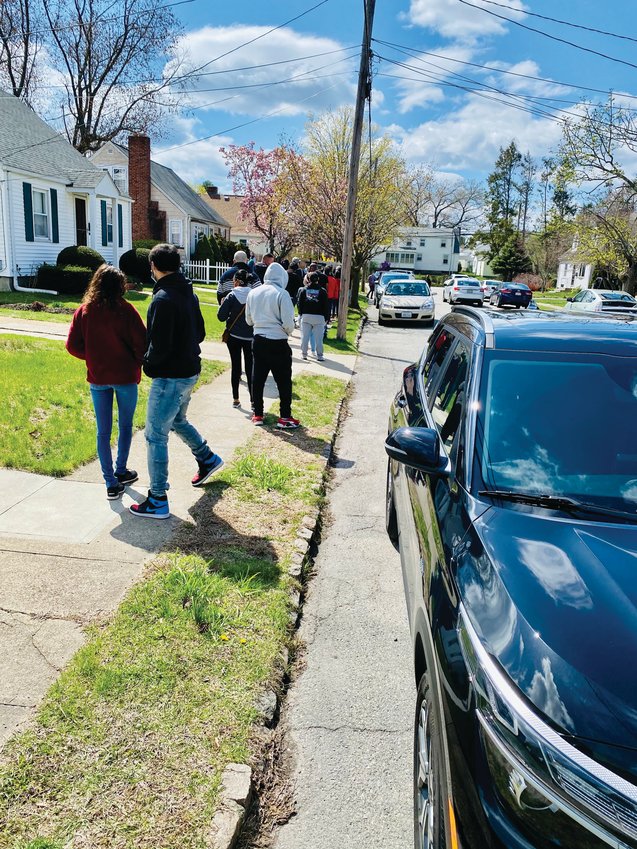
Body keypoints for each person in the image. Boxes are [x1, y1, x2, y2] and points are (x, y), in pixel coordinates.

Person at [129, 243, 223, 519]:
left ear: (154, 267)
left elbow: (159, 346)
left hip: (170, 377)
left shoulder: (162, 299)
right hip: (190, 371)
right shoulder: (188, 294)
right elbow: (201, 333)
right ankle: (206, 458)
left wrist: (147, 364)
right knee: (178, 421)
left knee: (155, 434)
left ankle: (157, 498)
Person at [66, 265, 146, 500]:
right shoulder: (127, 310)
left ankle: (110, 482)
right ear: (120, 285)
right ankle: (121, 470)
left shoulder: (84, 311)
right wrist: (136, 361)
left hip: (98, 377)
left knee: (103, 431)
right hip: (125, 377)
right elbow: (141, 343)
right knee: (125, 425)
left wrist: (91, 356)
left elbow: (72, 346)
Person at [245, 262, 301, 429]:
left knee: (258, 378)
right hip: (278, 341)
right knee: (283, 380)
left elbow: (249, 320)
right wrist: (285, 331)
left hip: (258, 339)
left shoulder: (253, 293)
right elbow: (288, 323)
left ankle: (258, 413)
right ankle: (285, 416)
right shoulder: (282, 294)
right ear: (282, 277)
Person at [217, 269, 253, 408]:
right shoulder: (254, 295)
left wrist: (222, 303)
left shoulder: (232, 295)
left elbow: (221, 317)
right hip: (250, 336)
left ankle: (236, 399)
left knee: (236, 367)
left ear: (236, 281)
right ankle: (253, 400)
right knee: (250, 368)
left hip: (234, 335)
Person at [298, 271, 330, 361]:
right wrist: (326, 317)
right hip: (319, 317)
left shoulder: (304, 290)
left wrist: (301, 313)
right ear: (318, 280)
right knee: (319, 339)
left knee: (305, 337)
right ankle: (320, 355)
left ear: (308, 279)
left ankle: (304, 354)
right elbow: (326, 305)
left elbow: (300, 304)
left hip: (306, 316)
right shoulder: (323, 291)